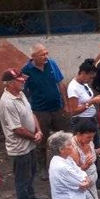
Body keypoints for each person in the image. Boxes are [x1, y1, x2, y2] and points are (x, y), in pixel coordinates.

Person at [0, 68, 46, 199]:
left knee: (31, 173)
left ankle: (30, 198)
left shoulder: (21, 94)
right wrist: (34, 137)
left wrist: (38, 130)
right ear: (10, 83)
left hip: (29, 143)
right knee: (22, 179)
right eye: (19, 79)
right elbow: (17, 129)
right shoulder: (7, 103)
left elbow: (31, 113)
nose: (23, 81)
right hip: (19, 147)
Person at [22, 44, 69, 173]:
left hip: (57, 107)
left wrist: (65, 104)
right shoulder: (26, 70)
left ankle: (64, 163)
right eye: (42, 54)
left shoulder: (51, 64)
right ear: (33, 57)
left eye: (46, 53)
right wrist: (27, 111)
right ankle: (43, 168)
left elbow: (60, 84)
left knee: (63, 137)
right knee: (41, 140)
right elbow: (23, 90)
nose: (46, 57)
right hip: (39, 110)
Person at [67, 59, 100, 131]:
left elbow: (87, 99)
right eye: (90, 78)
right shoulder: (73, 88)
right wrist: (92, 102)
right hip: (82, 122)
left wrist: (96, 99)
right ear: (83, 73)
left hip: (91, 119)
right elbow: (74, 111)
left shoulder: (84, 83)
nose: (91, 80)